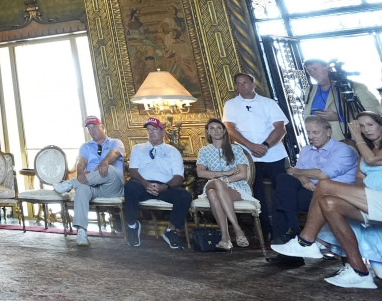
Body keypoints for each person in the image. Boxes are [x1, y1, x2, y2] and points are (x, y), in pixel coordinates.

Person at [272, 112, 382, 288]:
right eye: (362, 126)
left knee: (324, 185)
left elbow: (373, 160)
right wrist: (355, 198)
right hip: (369, 200)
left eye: (370, 125)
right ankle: (360, 272)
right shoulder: (365, 152)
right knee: (328, 203)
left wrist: (356, 135)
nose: (365, 130)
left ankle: (306, 240)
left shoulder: (378, 149)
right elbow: (359, 178)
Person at [270, 115, 358, 247]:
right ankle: (293, 229)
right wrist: (304, 179)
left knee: (280, 199)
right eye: (308, 132)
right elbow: (291, 173)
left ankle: (290, 238)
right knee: (283, 179)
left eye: (315, 132)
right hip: (309, 190)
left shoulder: (343, 150)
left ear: (328, 132)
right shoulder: (306, 150)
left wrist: (297, 172)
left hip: (335, 194)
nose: (311, 136)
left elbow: (322, 174)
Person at [222, 72, 288, 238]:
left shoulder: (269, 103)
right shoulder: (230, 104)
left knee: (281, 190)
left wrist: (265, 145)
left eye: (245, 82)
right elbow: (230, 128)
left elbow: (280, 128)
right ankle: (265, 232)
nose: (242, 86)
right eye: (238, 83)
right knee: (256, 193)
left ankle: (286, 229)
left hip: (274, 154)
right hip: (248, 156)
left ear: (253, 84)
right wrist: (250, 146)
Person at [53, 115, 124, 246]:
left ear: (102, 127)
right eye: (89, 128)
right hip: (92, 186)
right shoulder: (86, 146)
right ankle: (81, 231)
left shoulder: (115, 142)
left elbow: (114, 153)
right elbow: (81, 161)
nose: (92, 130)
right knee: (82, 187)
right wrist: (80, 172)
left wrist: (104, 162)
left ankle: (69, 184)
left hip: (112, 187)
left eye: (95, 127)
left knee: (109, 169)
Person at [123, 118, 192, 249]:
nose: (151, 132)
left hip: (165, 187)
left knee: (185, 196)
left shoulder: (172, 151)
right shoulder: (138, 148)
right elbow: (132, 170)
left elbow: (179, 177)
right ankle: (132, 225)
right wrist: (145, 183)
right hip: (142, 185)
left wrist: (163, 187)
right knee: (130, 186)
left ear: (163, 132)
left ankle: (170, 230)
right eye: (148, 130)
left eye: (154, 129)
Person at [195, 119, 253, 251]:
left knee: (214, 192)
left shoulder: (236, 149)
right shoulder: (204, 151)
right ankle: (237, 229)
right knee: (215, 184)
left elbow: (243, 174)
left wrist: (224, 180)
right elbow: (200, 173)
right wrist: (225, 173)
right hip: (212, 184)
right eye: (212, 128)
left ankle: (225, 238)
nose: (216, 130)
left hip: (236, 186)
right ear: (208, 132)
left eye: (219, 128)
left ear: (224, 131)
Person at [302, 58, 379, 142]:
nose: (313, 73)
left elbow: (373, 113)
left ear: (328, 68)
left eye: (315, 69)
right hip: (319, 143)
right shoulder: (310, 91)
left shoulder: (353, 87)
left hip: (349, 140)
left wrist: (339, 117)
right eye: (309, 71)